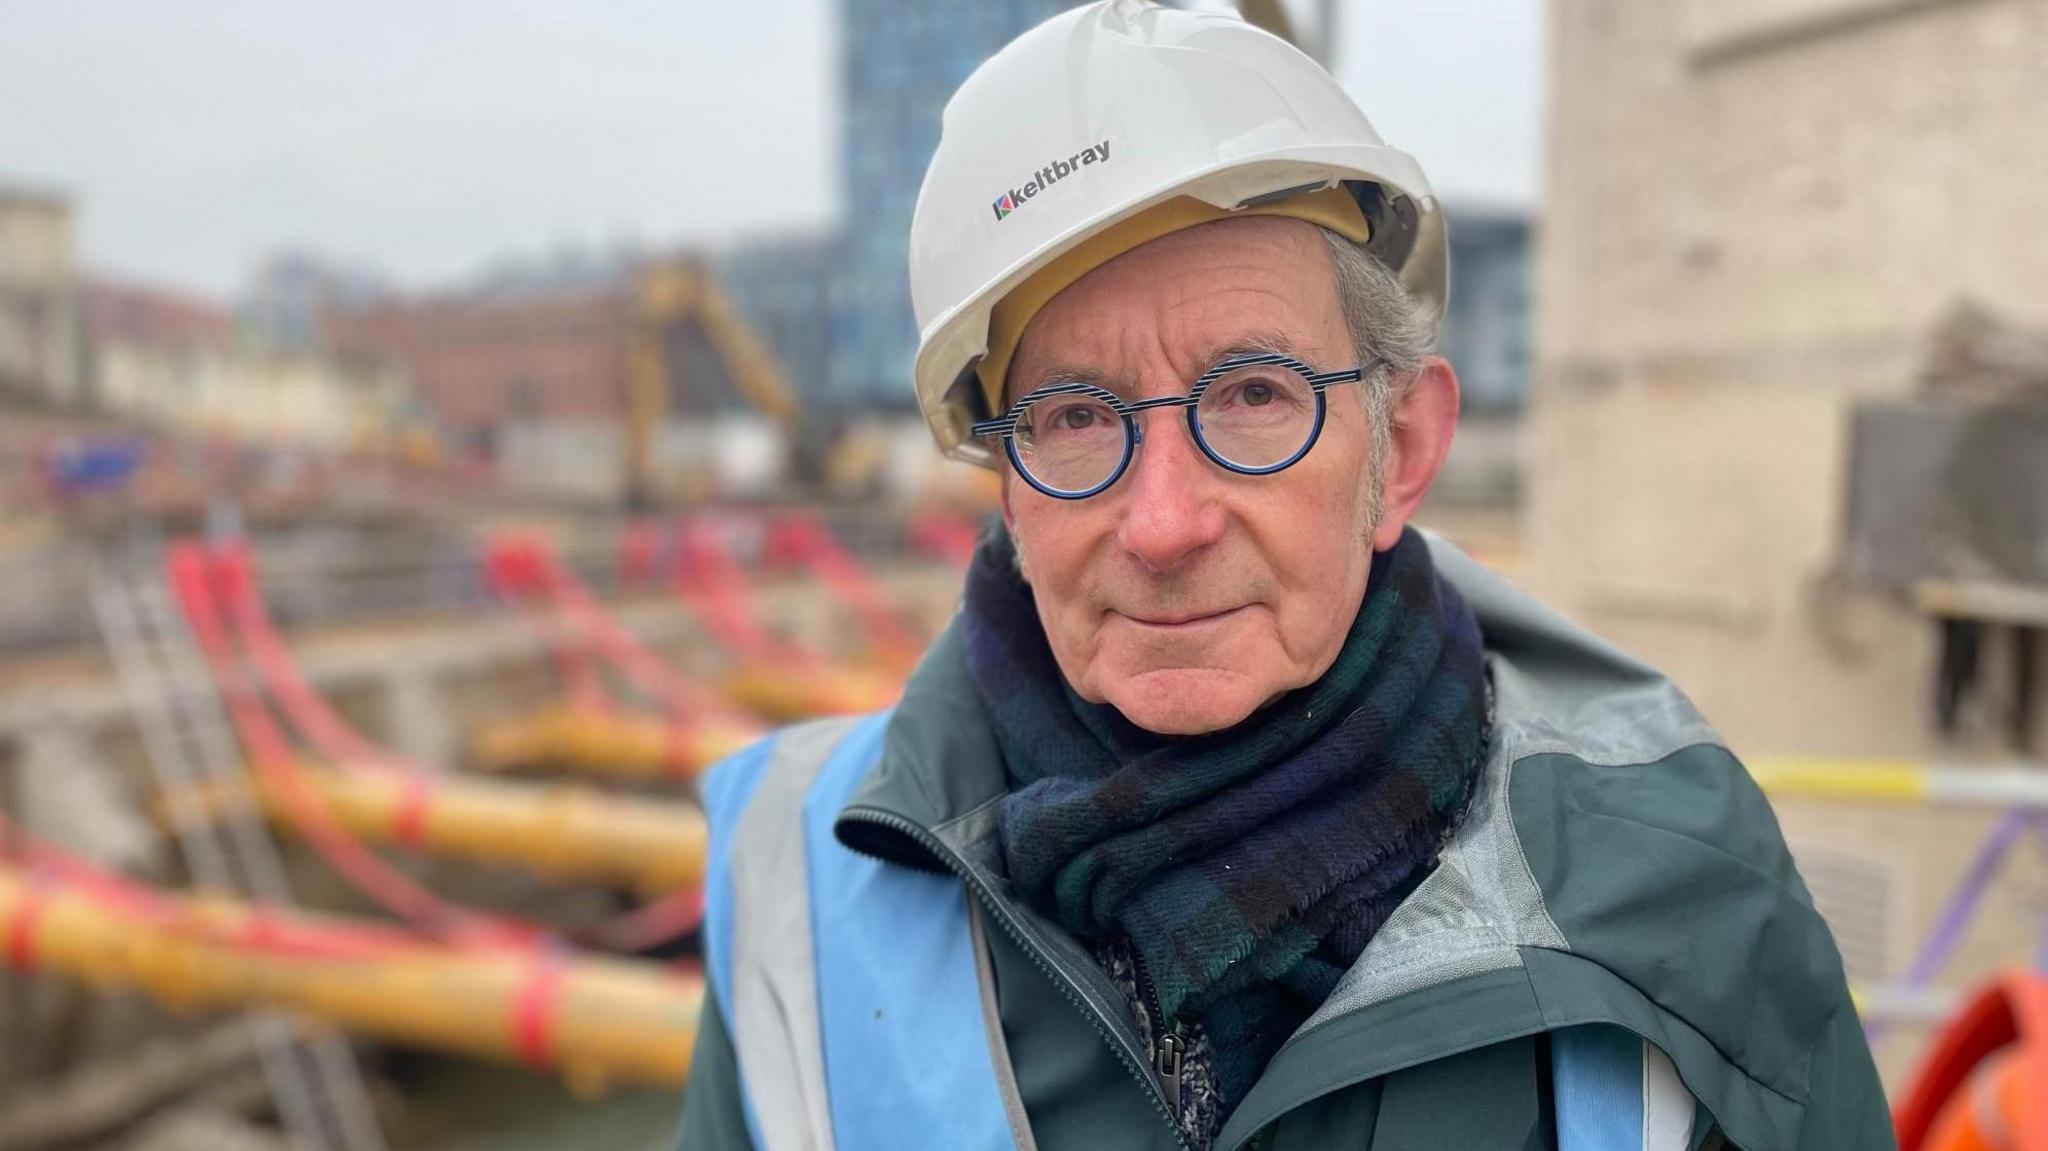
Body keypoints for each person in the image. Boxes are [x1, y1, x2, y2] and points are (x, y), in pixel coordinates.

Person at [677, 3, 1891, 1147]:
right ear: (1006, 487)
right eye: (1073, 417)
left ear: (1400, 450)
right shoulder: (794, 889)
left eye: (1253, 395)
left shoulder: (1677, 888)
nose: (1159, 523)